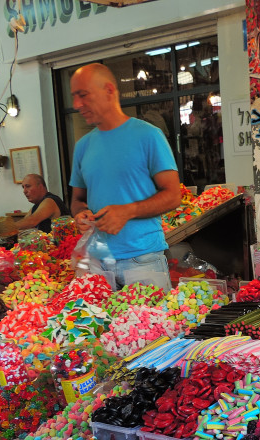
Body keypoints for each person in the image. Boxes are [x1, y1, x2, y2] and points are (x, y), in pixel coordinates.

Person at [69, 63, 181, 288]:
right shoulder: (83, 146)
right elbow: (77, 200)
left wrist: (127, 211)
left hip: (143, 259)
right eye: (74, 97)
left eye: (83, 95)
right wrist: (81, 215)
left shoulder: (148, 136)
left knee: (154, 324)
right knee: (99, 325)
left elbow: (173, 195)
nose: (77, 104)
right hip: (97, 262)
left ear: (109, 90)